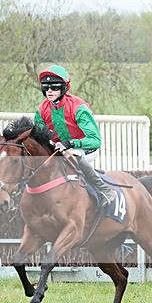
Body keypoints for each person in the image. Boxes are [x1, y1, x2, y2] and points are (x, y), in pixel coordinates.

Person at [34, 64, 117, 207]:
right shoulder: (41, 110)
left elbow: (95, 140)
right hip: (59, 149)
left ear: (64, 88)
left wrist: (71, 143)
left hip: (85, 148)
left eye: (54, 87)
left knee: (72, 155)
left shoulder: (79, 108)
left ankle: (105, 190)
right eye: (45, 87)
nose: (49, 90)